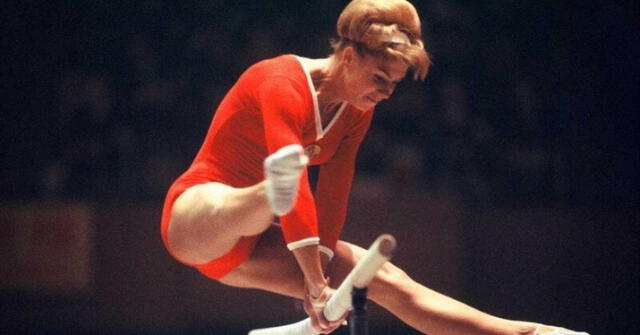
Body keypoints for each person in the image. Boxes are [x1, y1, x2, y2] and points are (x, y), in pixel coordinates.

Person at [161, 0, 589, 334]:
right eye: (379, 78)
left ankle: (527, 333)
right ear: (348, 58)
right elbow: (303, 195)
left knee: (385, 278)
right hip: (198, 219)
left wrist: (323, 272)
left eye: (394, 85)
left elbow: (333, 192)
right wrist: (312, 279)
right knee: (248, 197)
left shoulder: (356, 111)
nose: (385, 93)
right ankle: (268, 192)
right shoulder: (280, 81)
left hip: (253, 251)